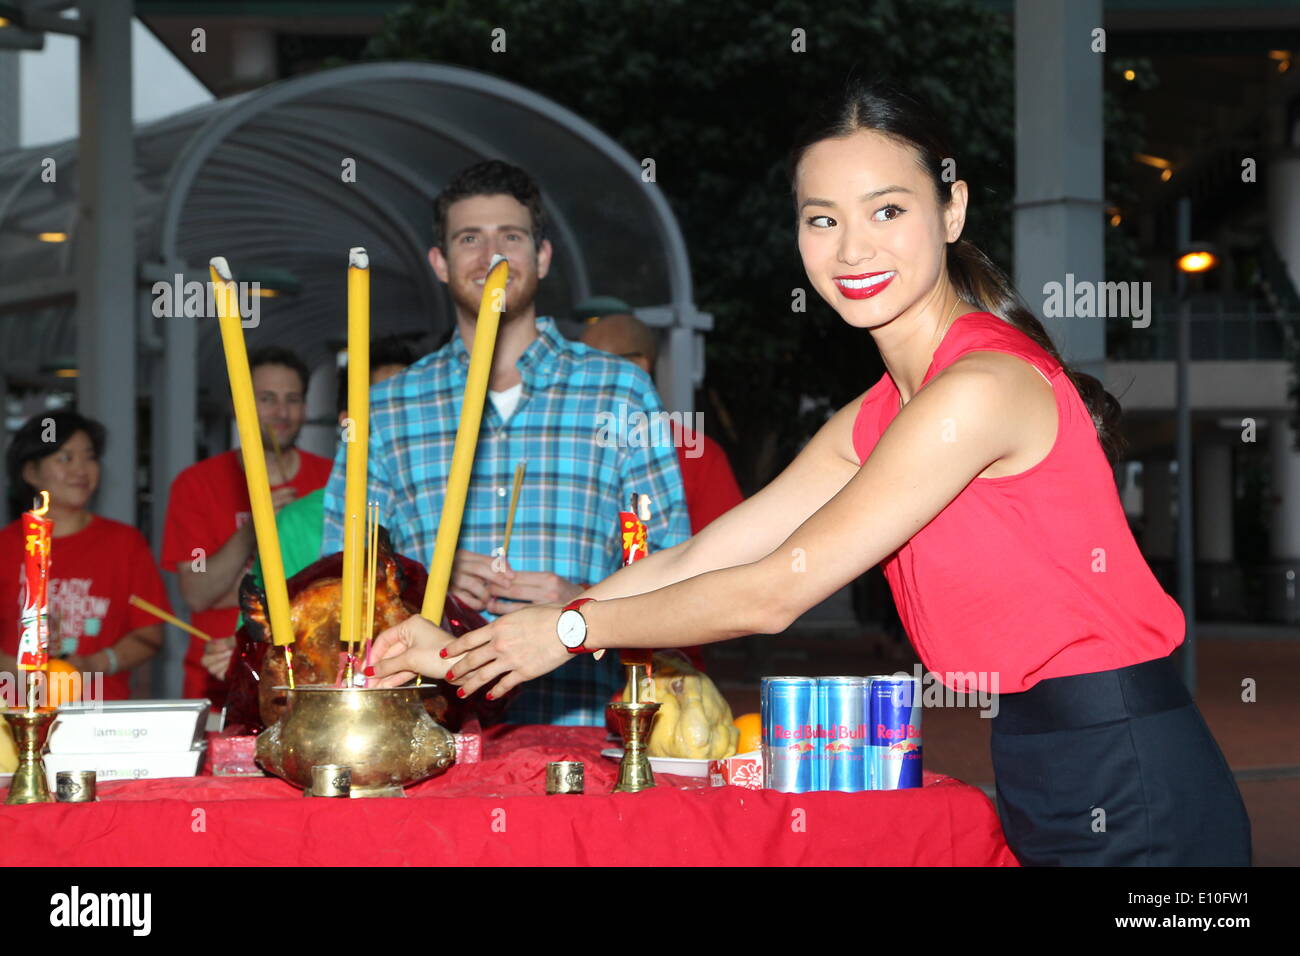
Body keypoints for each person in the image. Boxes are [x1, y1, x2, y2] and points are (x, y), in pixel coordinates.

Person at [368, 80, 1251, 866]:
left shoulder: (979, 388)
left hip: (1128, 764)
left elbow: (774, 593)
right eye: (821, 218)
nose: (852, 248)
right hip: (1039, 753)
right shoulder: (878, 412)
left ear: (952, 212)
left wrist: (565, 633)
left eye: (888, 211)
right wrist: (471, 646)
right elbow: (703, 557)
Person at [322, 159, 690, 726]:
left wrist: (585, 606)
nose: (491, 255)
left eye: (510, 237)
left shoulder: (619, 392)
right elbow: (343, 573)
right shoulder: (388, 408)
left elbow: (674, 563)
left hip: (584, 727)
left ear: (541, 258)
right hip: (429, 733)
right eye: (470, 238)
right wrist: (426, 586)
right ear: (440, 264)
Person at [200, 337, 417, 681]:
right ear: (348, 422)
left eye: (412, 408)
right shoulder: (301, 520)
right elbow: (262, 637)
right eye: (384, 407)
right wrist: (242, 654)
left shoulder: (453, 517)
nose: (400, 423)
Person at [161, 347, 333, 705]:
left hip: (311, 680)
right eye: (266, 399)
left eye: (293, 399)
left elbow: (338, 591)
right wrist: (254, 529)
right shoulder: (196, 485)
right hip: (217, 680)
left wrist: (238, 587)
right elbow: (196, 588)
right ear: (239, 405)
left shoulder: (332, 479)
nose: (281, 413)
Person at [0, 412, 167, 700]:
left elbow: (150, 635)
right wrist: (19, 670)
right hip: (15, 717)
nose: (81, 470)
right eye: (65, 458)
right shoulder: (6, 546)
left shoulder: (124, 543)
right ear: (30, 472)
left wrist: (94, 664)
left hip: (100, 717)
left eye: (89, 457)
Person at [580, 310, 745, 535]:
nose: (580, 382)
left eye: (595, 368)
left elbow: (727, 551)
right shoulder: (567, 444)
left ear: (637, 367)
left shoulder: (695, 454)